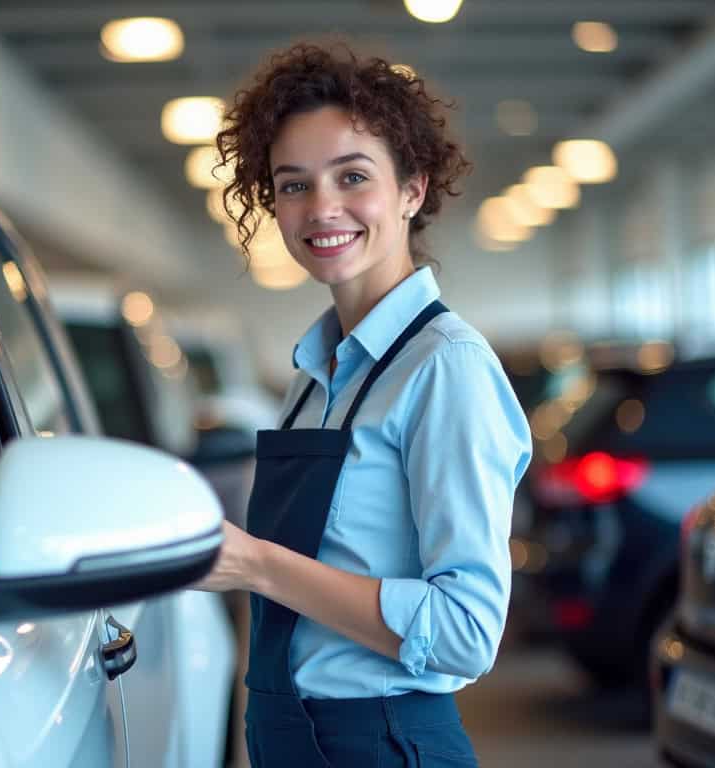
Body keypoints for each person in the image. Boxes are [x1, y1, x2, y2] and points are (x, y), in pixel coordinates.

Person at [193, 43, 532, 767]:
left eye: (353, 177)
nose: (322, 209)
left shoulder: (446, 370)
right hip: (292, 737)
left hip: (381, 744)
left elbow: (466, 632)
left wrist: (257, 565)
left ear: (412, 188)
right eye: (293, 185)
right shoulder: (315, 375)